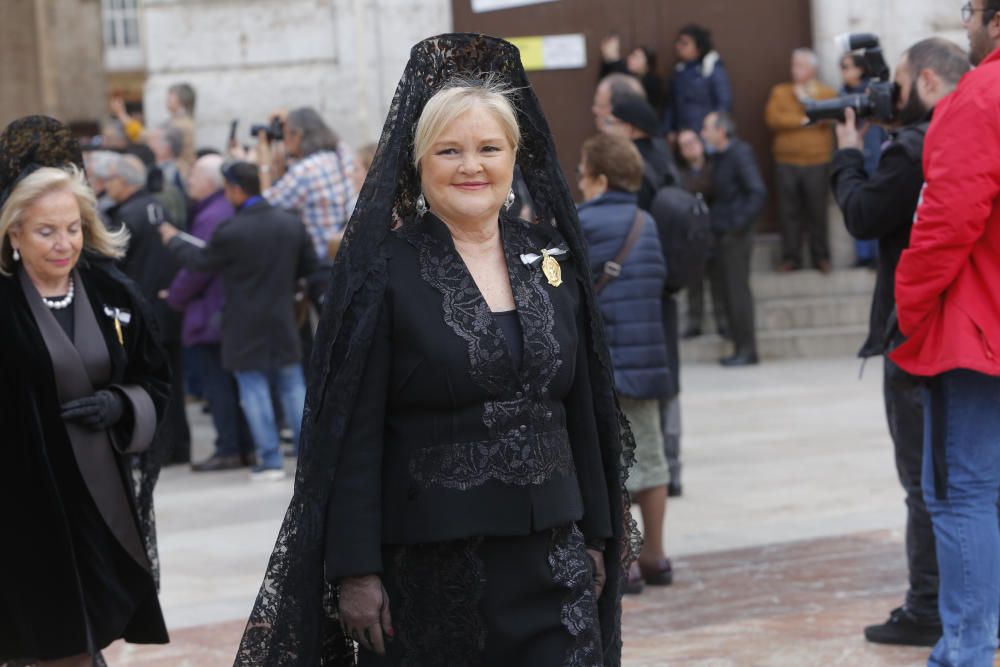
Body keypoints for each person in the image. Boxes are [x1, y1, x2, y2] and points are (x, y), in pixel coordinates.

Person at [234, 34, 637, 666]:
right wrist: (355, 570)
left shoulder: (551, 256)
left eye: (488, 149)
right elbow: (352, 434)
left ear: (514, 157)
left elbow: (584, 406)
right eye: (450, 150)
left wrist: (599, 535)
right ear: (419, 162)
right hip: (430, 568)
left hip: (554, 558)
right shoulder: (382, 272)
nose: (470, 166)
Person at [0, 116, 170, 665]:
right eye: (46, 231)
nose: (63, 243)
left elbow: (154, 379)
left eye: (72, 228)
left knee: (88, 631)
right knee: (47, 640)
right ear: (14, 233)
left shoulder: (107, 290)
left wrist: (120, 404)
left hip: (98, 497)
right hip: (23, 503)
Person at [832, 38, 969, 649]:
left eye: (902, 83)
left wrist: (848, 152)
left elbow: (862, 214)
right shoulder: (956, 140)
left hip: (916, 335)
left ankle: (928, 606)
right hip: (959, 330)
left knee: (926, 480)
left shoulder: (916, 147)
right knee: (960, 477)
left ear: (928, 84)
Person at [891, 3, 1000, 663]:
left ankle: (967, 644)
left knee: (961, 490)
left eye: (970, 11)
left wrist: (909, 307)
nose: (966, 26)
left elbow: (946, 217)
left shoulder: (981, 94)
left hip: (975, 325)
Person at [160, 161, 323, 481]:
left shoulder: (231, 230)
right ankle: (312, 460)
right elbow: (310, 267)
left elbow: (201, 262)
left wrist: (173, 240)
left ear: (235, 189)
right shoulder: (290, 223)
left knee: (254, 390)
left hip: (242, 323)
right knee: (292, 387)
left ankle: (270, 461)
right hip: (282, 317)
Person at [577, 132, 674, 594]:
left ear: (598, 178)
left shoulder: (582, 223)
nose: (578, 183)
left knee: (610, 464)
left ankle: (626, 560)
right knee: (651, 460)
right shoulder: (646, 222)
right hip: (648, 359)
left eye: (582, 174)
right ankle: (657, 554)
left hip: (605, 364)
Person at [164, 153, 254, 472]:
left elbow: (198, 267)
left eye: (193, 177)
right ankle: (244, 447)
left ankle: (230, 447)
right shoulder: (220, 209)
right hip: (223, 308)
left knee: (219, 387)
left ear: (208, 182)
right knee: (230, 385)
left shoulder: (210, 215)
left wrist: (173, 297)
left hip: (211, 312)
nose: (188, 182)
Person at [105, 153, 191, 466]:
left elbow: (114, 263)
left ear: (126, 182)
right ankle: (179, 445)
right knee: (174, 380)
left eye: (112, 179)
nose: (107, 185)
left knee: (152, 383)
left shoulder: (127, 214)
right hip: (168, 306)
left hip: (143, 311)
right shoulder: (160, 208)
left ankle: (160, 450)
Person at [701, 111, 767, 366]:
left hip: (735, 236)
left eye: (707, 128)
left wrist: (736, 225)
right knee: (727, 292)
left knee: (737, 292)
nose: (703, 133)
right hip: (721, 233)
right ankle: (739, 347)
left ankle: (747, 350)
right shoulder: (718, 158)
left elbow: (756, 192)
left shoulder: (740, 154)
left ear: (721, 131)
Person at [765, 48, 837, 273]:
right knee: (789, 212)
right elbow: (774, 118)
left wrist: (805, 101)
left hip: (817, 160)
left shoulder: (825, 94)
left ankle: (821, 257)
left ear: (812, 69)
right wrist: (806, 120)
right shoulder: (780, 92)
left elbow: (829, 116)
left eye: (800, 65)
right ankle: (791, 257)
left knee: (817, 211)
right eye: (793, 65)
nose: (794, 69)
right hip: (786, 161)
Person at [257, 107, 356, 261]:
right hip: (344, 253)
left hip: (321, 260)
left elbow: (264, 207)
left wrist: (263, 158)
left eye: (286, 134)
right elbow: (341, 144)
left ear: (298, 135)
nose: (284, 139)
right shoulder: (337, 156)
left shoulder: (305, 170)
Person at [838, 53, 887, 269]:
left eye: (847, 67)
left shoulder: (873, 92)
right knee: (857, 203)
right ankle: (863, 255)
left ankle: (877, 255)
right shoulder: (841, 95)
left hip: (874, 154)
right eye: (841, 67)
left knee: (876, 206)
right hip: (855, 153)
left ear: (860, 69)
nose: (844, 72)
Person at [677, 128, 726, 340]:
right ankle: (694, 321)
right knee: (694, 281)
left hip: (715, 230)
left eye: (693, 141)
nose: (690, 147)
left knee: (719, 281)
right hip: (691, 234)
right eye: (684, 145)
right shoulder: (679, 173)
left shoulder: (715, 166)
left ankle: (722, 320)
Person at [605, 94, 680, 209]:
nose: (606, 130)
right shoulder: (662, 154)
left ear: (628, 129)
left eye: (611, 123)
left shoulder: (628, 163)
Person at [663, 24, 733, 144]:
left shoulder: (712, 69)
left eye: (685, 44)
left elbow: (724, 102)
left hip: (705, 135)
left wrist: (712, 129)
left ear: (698, 48)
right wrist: (669, 129)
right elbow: (672, 104)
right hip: (683, 135)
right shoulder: (678, 72)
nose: (679, 47)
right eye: (678, 43)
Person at [598, 34, 664, 111]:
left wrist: (615, 59)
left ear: (647, 64)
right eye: (631, 55)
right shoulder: (627, 74)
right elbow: (606, 80)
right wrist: (608, 60)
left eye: (636, 57)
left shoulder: (652, 81)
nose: (630, 59)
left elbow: (633, 88)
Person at [165, 82, 197, 175]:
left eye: (171, 96)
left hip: (180, 172)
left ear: (181, 99)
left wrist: (123, 117)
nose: (167, 99)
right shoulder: (178, 120)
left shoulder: (181, 123)